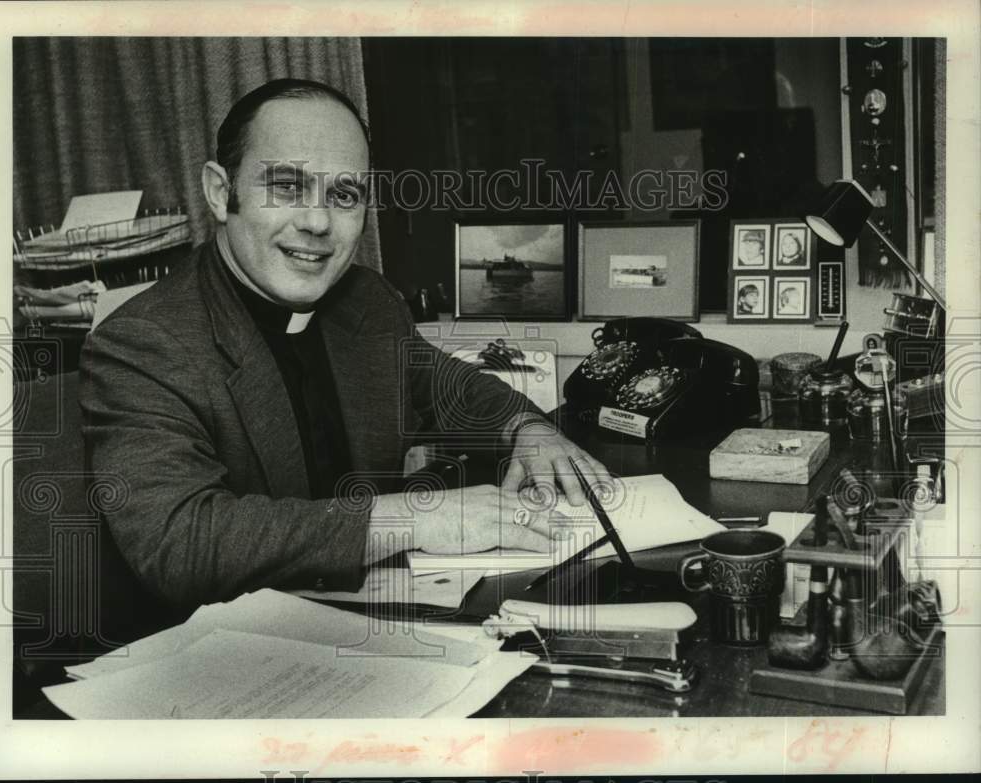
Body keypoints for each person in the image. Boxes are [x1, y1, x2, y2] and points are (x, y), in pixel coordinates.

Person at [80, 79, 611, 609]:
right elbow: (182, 544)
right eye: (287, 187)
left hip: (376, 618)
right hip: (226, 655)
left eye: (344, 195)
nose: (317, 222)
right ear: (222, 193)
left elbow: (447, 385)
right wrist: (416, 518)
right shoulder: (143, 342)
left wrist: (529, 429)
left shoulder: (366, 301)